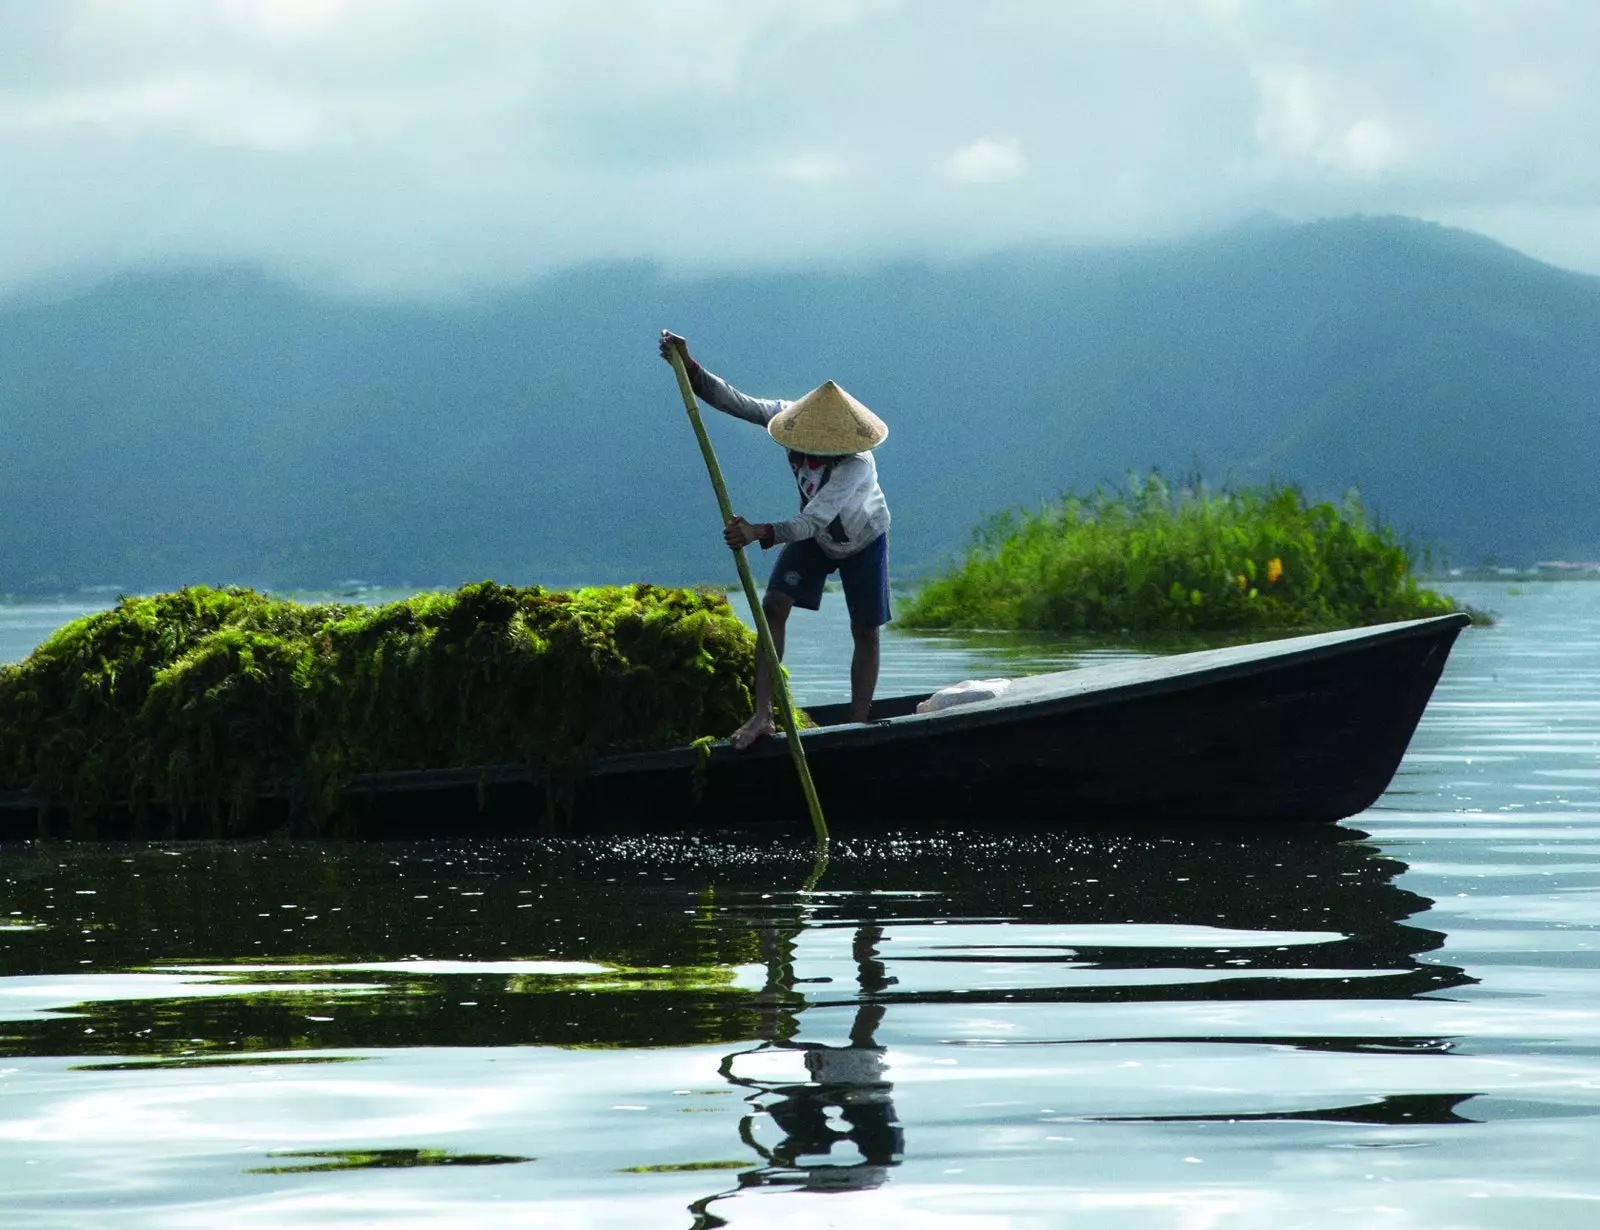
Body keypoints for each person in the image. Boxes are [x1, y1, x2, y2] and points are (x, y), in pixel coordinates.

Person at [659, 330, 891, 749]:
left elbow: (813, 520)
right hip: (815, 539)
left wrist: (759, 532)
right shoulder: (791, 421)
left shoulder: (855, 466)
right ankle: (762, 714)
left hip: (862, 540)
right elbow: (736, 401)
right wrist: (690, 366)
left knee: (866, 630)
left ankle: (858, 724)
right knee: (773, 606)